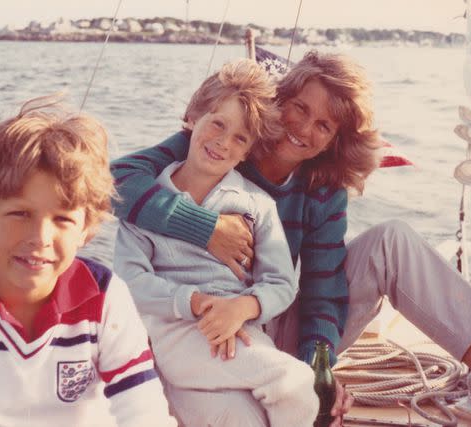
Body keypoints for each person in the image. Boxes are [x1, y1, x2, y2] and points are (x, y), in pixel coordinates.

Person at [111, 51, 471, 426]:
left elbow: (321, 289)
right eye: (299, 107)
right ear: (277, 102)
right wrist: (205, 228)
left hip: (266, 318)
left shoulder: (323, 188)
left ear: (335, 141)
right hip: (195, 321)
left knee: (393, 239)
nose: (304, 128)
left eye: (325, 126)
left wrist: (318, 369)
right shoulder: (227, 140)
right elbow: (115, 179)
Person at [0, 96, 176, 427]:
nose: (40, 237)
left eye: (62, 219)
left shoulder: (104, 297)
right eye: (19, 213)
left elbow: (142, 410)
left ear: (86, 229)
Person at [113, 59, 318, 427]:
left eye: (240, 138)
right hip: (174, 333)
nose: (223, 142)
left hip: (242, 331)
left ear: (248, 152)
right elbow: (130, 283)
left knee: (243, 419)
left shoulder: (257, 205)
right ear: (193, 117)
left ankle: (175, 397)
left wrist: (242, 307)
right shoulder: (146, 202)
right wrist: (196, 304)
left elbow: (282, 283)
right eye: (217, 124)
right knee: (297, 383)